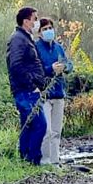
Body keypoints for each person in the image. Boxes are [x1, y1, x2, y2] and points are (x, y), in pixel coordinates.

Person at [6, 7, 48, 165]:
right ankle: (32, 161)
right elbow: (15, 66)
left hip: (30, 91)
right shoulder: (18, 38)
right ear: (26, 21)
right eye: (35, 19)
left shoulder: (25, 38)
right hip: (26, 91)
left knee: (28, 125)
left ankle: (26, 162)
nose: (37, 22)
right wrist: (32, 85)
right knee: (40, 125)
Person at [35, 18, 73, 165]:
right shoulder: (36, 48)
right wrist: (51, 69)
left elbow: (68, 63)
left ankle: (55, 162)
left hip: (58, 93)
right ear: (39, 33)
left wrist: (65, 67)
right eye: (44, 29)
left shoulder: (58, 47)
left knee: (56, 131)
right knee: (47, 131)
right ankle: (45, 162)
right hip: (43, 94)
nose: (48, 31)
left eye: (50, 28)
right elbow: (36, 71)